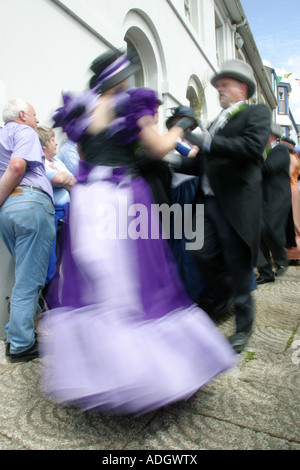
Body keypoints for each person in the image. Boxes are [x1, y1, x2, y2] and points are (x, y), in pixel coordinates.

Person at [39, 49, 236, 416]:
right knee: (140, 283)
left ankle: (103, 372)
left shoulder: (81, 110)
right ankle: (154, 372)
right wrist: (181, 126)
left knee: (98, 285)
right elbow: (159, 149)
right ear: (122, 78)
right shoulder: (132, 105)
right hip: (123, 199)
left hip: (89, 200)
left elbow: (83, 157)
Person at [169, 59, 271, 353]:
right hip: (208, 202)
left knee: (238, 264)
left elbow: (251, 148)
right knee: (198, 251)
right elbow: (201, 160)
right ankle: (229, 293)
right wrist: (170, 158)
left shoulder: (256, 112)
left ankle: (243, 325)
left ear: (242, 87)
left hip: (235, 203)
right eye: (217, 86)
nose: (218, 90)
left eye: (224, 84)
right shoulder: (216, 121)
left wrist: (208, 142)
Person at [0, 99, 55, 363]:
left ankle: (15, 332)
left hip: (8, 211)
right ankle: (20, 344)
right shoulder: (23, 131)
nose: (37, 119)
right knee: (29, 279)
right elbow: (17, 166)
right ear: (22, 115)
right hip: (30, 204)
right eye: (34, 114)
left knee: (24, 272)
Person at [37, 125, 76, 290]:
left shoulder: (57, 161)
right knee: (51, 262)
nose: (56, 143)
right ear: (43, 145)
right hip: (52, 216)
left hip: (66, 215)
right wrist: (66, 179)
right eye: (53, 140)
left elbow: (74, 180)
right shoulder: (40, 162)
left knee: (65, 260)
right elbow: (60, 180)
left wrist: (66, 179)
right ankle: (49, 301)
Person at [255, 123, 292, 284]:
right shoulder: (264, 151)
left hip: (277, 197)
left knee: (269, 228)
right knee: (259, 235)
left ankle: (281, 258)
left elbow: (268, 168)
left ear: (270, 135)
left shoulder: (281, 150)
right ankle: (265, 273)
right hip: (263, 198)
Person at [282, 137, 300, 264]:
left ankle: (293, 254)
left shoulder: (290, 159)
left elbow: (286, 175)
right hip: (292, 190)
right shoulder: (294, 158)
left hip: (290, 190)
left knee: (293, 223)